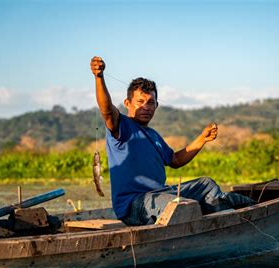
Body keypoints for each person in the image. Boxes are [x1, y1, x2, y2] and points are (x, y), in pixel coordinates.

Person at [90, 56, 255, 226]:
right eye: (140, 102)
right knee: (176, 203)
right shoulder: (122, 126)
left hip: (162, 193)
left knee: (206, 184)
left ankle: (242, 207)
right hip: (135, 205)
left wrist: (202, 139)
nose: (146, 107)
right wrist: (99, 77)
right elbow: (107, 110)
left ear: (156, 106)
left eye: (150, 102)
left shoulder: (154, 135)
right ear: (127, 103)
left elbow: (175, 160)